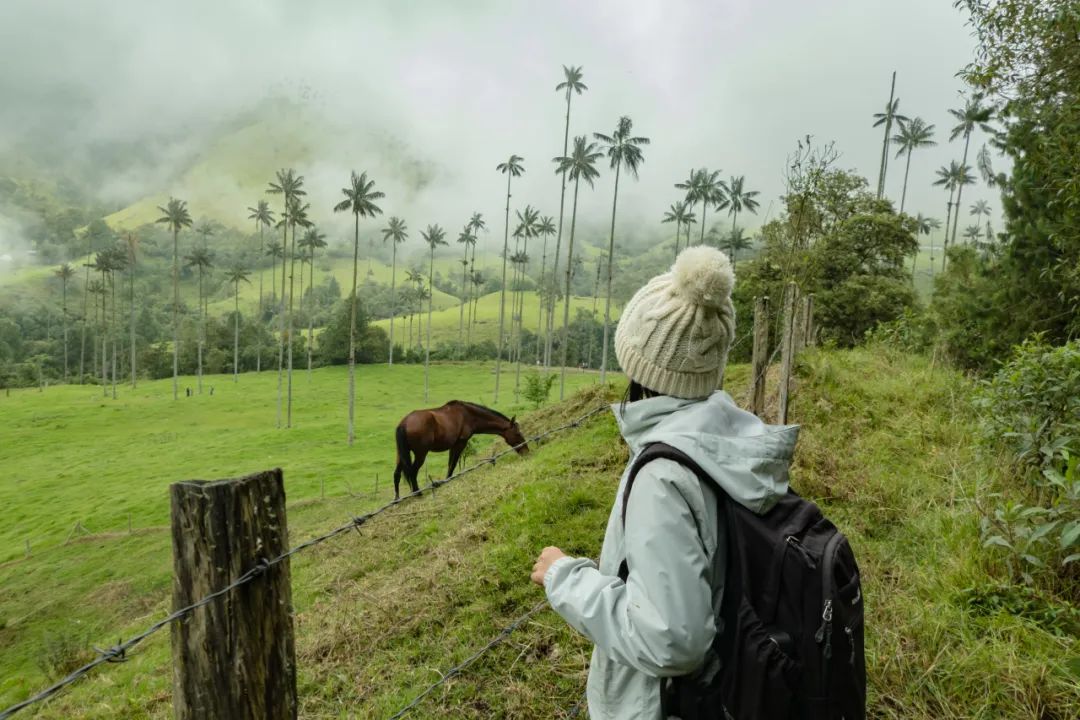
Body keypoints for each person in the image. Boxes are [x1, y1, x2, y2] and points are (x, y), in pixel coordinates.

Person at [530, 246, 798, 719]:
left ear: (640, 365)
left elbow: (674, 641)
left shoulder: (663, 476)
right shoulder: (726, 439)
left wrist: (565, 578)